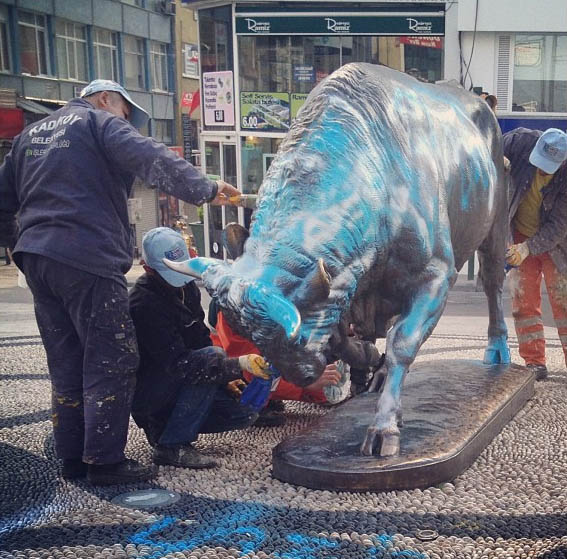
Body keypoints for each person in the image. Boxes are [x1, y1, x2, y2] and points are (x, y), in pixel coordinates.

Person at [0, 79, 240, 485]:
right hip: (86, 254)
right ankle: (106, 463)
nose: (126, 121)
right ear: (106, 99)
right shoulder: (97, 122)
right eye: (126, 113)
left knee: (66, 363)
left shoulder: (28, 137)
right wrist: (207, 188)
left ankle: (73, 458)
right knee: (110, 358)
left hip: (39, 258)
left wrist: (22, 246)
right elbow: (151, 157)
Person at [129, 227, 273, 469]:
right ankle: (171, 445)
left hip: (182, 381)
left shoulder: (187, 288)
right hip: (153, 392)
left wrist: (226, 380)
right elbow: (179, 364)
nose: (178, 280)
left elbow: (200, 339)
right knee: (211, 357)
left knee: (245, 412)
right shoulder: (144, 304)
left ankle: (169, 430)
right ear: (147, 268)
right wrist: (236, 365)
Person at [504, 127, 567, 380]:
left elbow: (559, 226)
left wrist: (528, 248)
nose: (541, 170)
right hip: (520, 234)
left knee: (563, 302)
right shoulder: (519, 142)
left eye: (548, 167)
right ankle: (534, 362)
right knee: (523, 300)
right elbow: (487, 148)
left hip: (557, 244)